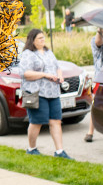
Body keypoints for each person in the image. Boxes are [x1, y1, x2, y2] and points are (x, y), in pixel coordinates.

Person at [19, 28, 72, 159]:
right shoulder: (28, 54)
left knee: (56, 121)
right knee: (37, 121)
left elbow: (57, 66)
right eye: (40, 38)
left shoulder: (48, 52)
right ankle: (31, 148)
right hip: (37, 92)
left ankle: (60, 151)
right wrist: (45, 75)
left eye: (43, 38)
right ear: (32, 40)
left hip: (53, 92)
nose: (43, 40)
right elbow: (25, 73)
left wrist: (59, 76)